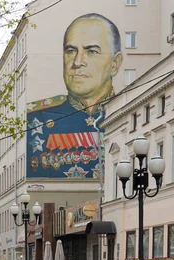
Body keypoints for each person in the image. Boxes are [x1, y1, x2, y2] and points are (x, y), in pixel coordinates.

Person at [27, 13, 123, 180]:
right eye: (71, 51)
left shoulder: (131, 110)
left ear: (115, 64)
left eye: (91, 51)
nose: (77, 62)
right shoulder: (35, 117)